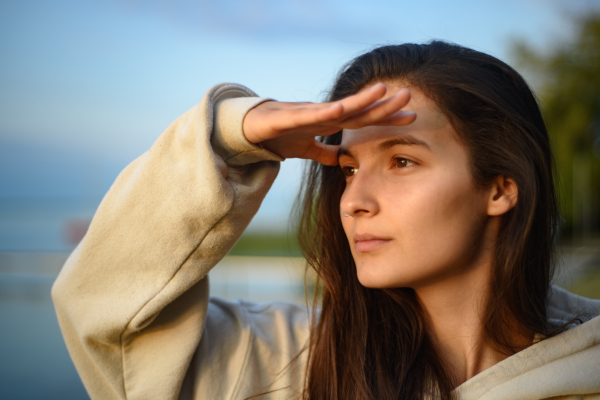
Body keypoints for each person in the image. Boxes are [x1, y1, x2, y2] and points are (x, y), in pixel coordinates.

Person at [52, 41, 600, 400]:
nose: (353, 200)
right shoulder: (278, 361)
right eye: (349, 168)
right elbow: (100, 306)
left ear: (500, 188)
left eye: (402, 161)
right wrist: (232, 135)